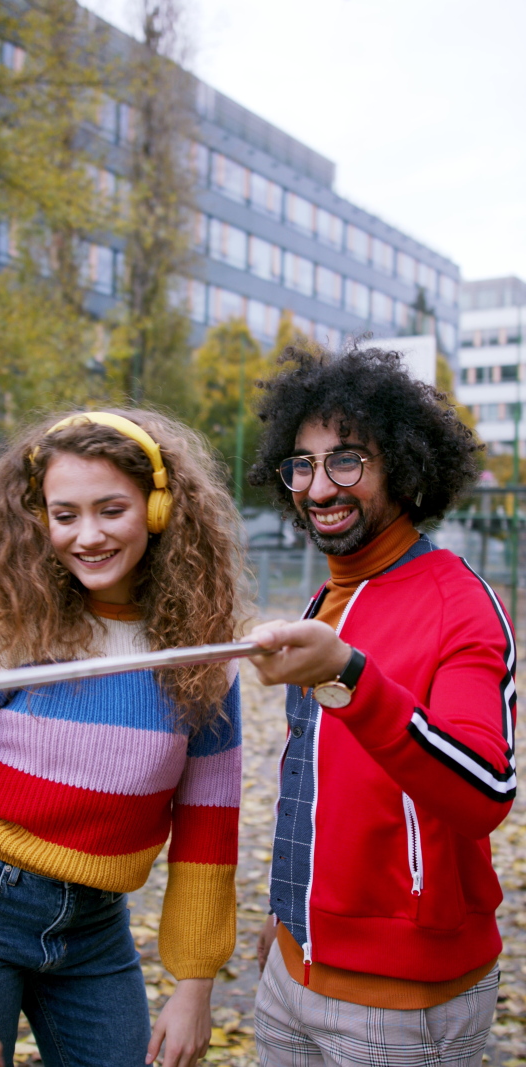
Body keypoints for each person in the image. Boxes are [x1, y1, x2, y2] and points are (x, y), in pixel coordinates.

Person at [0, 409, 243, 1067]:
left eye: (111, 509)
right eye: (64, 513)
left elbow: (208, 830)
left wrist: (194, 986)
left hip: (97, 927)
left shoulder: (202, 654)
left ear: (159, 510)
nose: (88, 534)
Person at [246, 345, 517, 1067]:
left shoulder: (460, 603)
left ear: (403, 463)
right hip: (289, 973)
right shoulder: (325, 596)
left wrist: (351, 678)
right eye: (302, 464)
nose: (319, 486)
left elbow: (486, 790)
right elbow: (316, 783)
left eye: (347, 459)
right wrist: (287, 923)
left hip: (405, 1003)